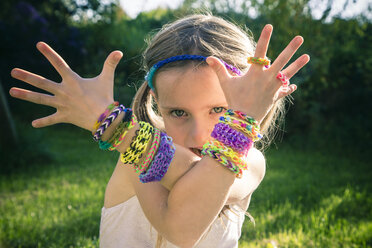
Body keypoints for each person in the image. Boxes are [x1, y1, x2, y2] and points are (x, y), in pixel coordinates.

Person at [9, 13, 309, 248]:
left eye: (219, 110)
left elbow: (198, 186)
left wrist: (112, 124)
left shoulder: (251, 163)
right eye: (179, 112)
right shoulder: (134, 159)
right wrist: (240, 120)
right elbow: (182, 227)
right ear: (156, 101)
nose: (198, 135)